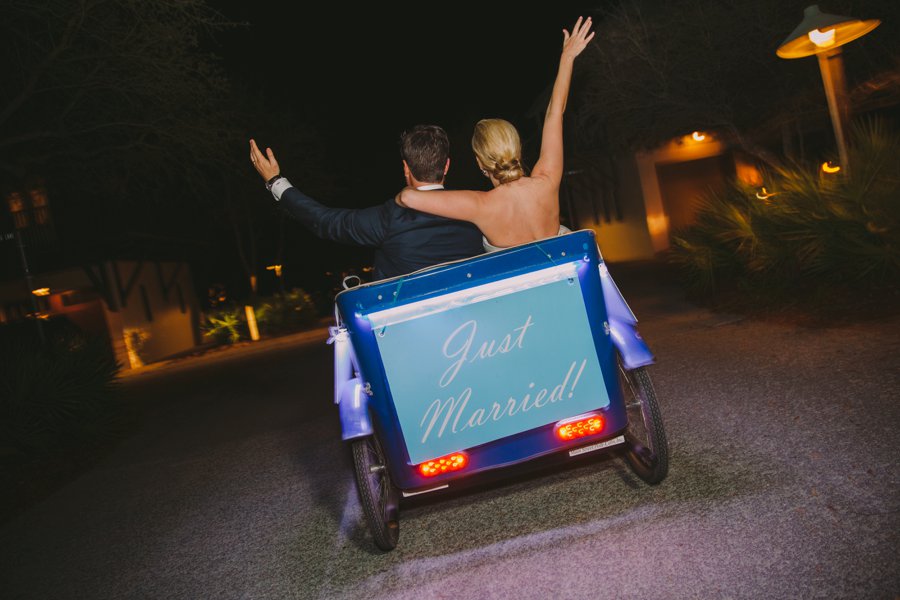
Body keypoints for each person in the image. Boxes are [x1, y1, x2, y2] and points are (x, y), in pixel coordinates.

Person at [396, 17, 594, 252]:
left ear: (480, 162)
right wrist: (567, 57)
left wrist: (404, 190)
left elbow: (408, 199)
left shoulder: (481, 205)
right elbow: (554, 114)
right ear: (516, 149)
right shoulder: (547, 180)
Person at [249, 125, 483, 280]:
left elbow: (325, 221)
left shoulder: (388, 219)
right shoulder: (477, 210)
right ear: (447, 166)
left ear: (405, 169)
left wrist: (275, 181)